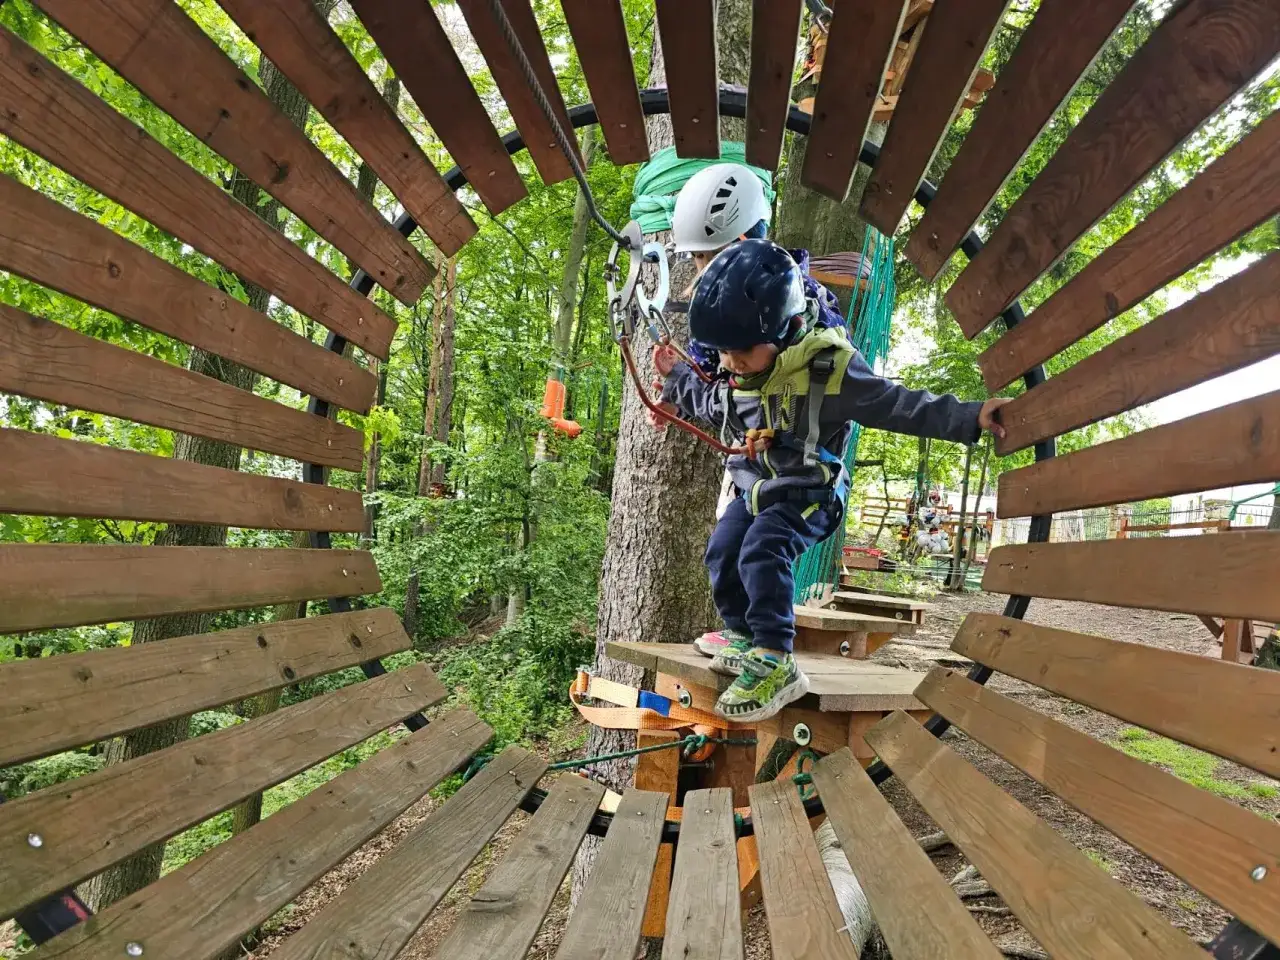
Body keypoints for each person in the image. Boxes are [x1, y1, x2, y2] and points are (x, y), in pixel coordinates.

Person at [650, 240, 1009, 722]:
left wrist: (969, 418)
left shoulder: (828, 370)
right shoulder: (740, 377)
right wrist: (676, 381)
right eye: (723, 353)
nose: (731, 363)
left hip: (808, 493)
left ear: (784, 328)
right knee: (722, 550)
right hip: (755, 487)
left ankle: (777, 660)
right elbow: (709, 402)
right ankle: (746, 635)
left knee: (763, 550)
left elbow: (898, 404)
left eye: (740, 352)